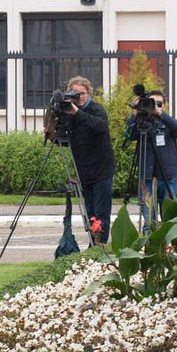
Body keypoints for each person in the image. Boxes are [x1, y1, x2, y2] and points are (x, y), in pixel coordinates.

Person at [62, 76, 115, 244]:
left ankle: (101, 248)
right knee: (90, 214)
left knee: (101, 214)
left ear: (89, 93)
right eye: (76, 94)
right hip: (84, 172)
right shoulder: (69, 113)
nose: (80, 97)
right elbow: (69, 140)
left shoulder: (96, 109)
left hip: (102, 171)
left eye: (82, 93)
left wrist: (77, 112)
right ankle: (94, 245)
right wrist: (52, 135)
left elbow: (99, 126)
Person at [125, 89, 177, 228]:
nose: (155, 106)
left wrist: (160, 113)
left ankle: (169, 247)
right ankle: (149, 247)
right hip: (147, 178)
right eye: (152, 103)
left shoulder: (168, 122)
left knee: (170, 221)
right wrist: (135, 112)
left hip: (168, 177)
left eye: (159, 103)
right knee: (149, 222)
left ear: (165, 106)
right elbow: (129, 135)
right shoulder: (142, 123)